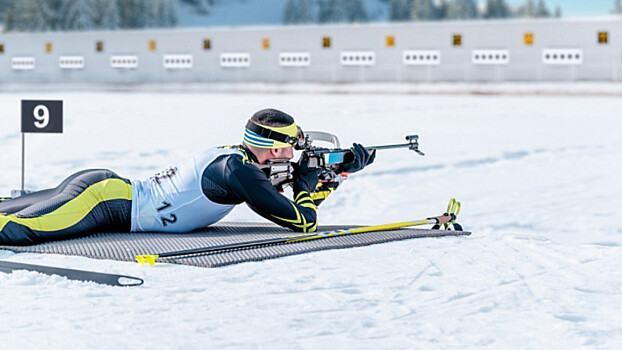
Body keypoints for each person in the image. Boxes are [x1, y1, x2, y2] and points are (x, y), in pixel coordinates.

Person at [0, 108, 375, 246]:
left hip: (106, 190)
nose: (296, 150)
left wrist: (331, 176)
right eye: (293, 144)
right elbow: (302, 221)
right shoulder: (240, 171)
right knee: (15, 231)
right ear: (274, 149)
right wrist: (308, 186)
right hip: (106, 203)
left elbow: (285, 197)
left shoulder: (239, 161)